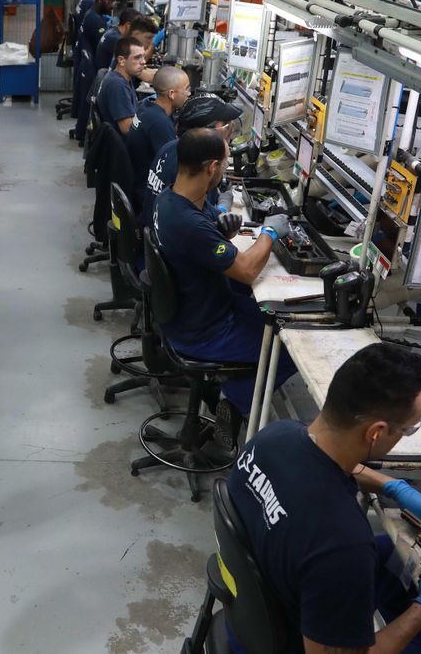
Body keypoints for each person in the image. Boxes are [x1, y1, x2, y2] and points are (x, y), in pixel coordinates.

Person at [228, 343, 421, 653]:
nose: (406, 435)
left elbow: (324, 462)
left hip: (249, 613)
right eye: (408, 429)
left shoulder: (275, 436)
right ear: (376, 433)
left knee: (390, 556)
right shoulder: (341, 544)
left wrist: (393, 487)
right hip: (281, 642)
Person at [153, 128, 296, 442]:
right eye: (224, 160)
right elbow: (245, 271)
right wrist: (270, 233)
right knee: (290, 345)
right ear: (211, 168)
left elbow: (196, 243)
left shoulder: (170, 199)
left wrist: (220, 227)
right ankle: (233, 402)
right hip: (203, 331)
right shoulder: (189, 224)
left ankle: (228, 391)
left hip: (188, 312)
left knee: (269, 311)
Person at [142, 95, 241, 227]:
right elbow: (203, 223)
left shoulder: (170, 147)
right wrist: (222, 210)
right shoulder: (196, 168)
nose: (230, 132)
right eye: (226, 126)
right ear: (206, 132)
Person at [126, 66, 190, 204]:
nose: (189, 94)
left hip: (135, 179)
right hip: (147, 193)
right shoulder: (159, 123)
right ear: (172, 94)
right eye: (187, 89)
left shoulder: (146, 105)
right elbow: (174, 168)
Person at [73, 0, 116, 141]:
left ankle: (80, 132)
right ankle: (84, 135)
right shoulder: (95, 20)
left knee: (86, 100)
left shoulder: (92, 14)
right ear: (100, 0)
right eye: (110, 1)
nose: (112, 5)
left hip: (86, 62)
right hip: (90, 66)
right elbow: (105, 43)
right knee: (89, 101)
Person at [94, 37, 146, 135]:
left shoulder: (120, 77)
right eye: (137, 57)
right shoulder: (117, 85)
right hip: (121, 146)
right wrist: (147, 117)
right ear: (121, 60)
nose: (143, 62)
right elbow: (127, 129)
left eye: (143, 56)